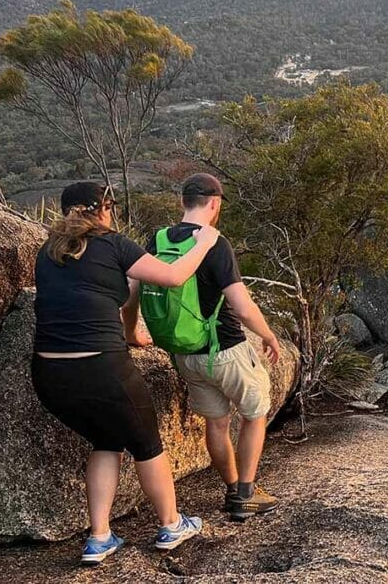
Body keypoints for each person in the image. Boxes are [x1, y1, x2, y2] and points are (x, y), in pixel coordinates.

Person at [31, 182, 218, 566]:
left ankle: (99, 537)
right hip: (100, 367)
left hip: (50, 376)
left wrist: (131, 334)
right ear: (101, 209)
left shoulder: (48, 252)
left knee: (106, 440)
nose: (112, 211)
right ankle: (171, 524)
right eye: (110, 204)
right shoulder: (113, 244)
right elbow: (172, 276)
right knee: (147, 444)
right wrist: (204, 243)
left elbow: (103, 297)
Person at [124, 173, 283, 522]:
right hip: (225, 348)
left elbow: (132, 293)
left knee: (217, 422)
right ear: (214, 203)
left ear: (183, 202)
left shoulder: (158, 238)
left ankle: (232, 488)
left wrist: (131, 332)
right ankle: (245, 494)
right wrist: (269, 335)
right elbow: (242, 306)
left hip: (186, 353)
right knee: (255, 413)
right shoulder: (215, 243)